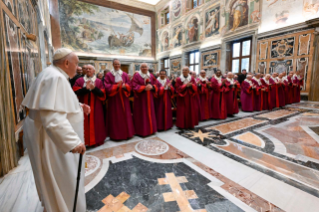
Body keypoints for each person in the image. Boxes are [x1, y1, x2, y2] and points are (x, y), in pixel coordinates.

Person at [21, 48, 88, 212]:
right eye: (76, 63)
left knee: (56, 179)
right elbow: (52, 118)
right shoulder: (56, 78)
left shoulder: (50, 73)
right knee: (64, 180)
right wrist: (73, 143)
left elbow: (53, 105)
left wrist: (78, 107)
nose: (77, 67)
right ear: (66, 63)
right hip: (54, 143)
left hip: (51, 138)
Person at [73, 65, 107, 146]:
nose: (88, 70)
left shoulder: (98, 81)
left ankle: (96, 141)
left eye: (90, 69)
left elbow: (102, 93)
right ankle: (84, 141)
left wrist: (94, 88)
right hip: (83, 106)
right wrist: (86, 89)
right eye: (87, 69)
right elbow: (74, 92)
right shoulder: (80, 80)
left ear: (94, 71)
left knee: (97, 124)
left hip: (96, 107)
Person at [104, 59, 134, 140]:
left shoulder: (124, 74)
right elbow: (106, 86)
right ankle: (116, 135)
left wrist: (125, 86)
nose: (117, 65)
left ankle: (127, 133)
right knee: (115, 116)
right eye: (115, 64)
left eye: (118, 64)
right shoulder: (109, 75)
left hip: (124, 98)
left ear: (120, 65)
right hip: (114, 98)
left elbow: (129, 85)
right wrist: (116, 86)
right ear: (113, 65)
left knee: (125, 115)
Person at [132, 63, 158, 137]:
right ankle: (142, 131)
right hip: (141, 99)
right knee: (142, 114)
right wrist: (144, 88)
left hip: (149, 97)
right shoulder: (136, 76)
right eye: (142, 67)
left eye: (145, 67)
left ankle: (151, 130)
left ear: (147, 68)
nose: (144, 68)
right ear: (140, 68)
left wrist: (152, 87)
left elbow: (156, 84)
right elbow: (134, 85)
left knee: (150, 113)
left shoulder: (151, 76)